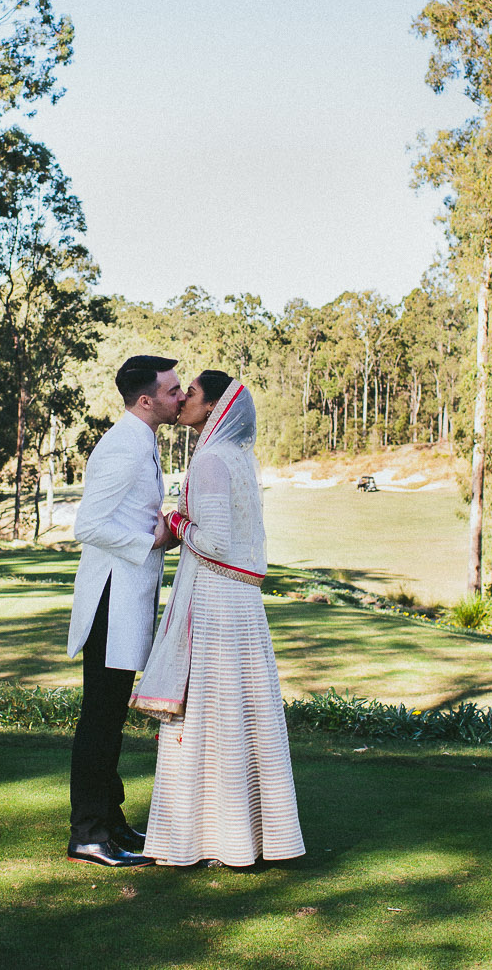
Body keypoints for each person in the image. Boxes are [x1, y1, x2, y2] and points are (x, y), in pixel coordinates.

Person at [134, 370, 304, 868]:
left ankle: (201, 839)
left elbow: (214, 542)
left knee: (210, 712)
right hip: (242, 601)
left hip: (214, 602)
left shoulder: (209, 459)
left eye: (191, 395)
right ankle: (250, 838)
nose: (183, 400)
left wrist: (175, 520)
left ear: (213, 408)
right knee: (241, 711)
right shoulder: (239, 459)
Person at [64, 354, 184, 867]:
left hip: (127, 596)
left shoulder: (142, 441)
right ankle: (88, 834)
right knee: (100, 719)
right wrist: (151, 538)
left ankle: (110, 822)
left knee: (109, 718)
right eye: (173, 390)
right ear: (146, 400)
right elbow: (87, 526)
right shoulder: (123, 447)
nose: (180, 396)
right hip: (111, 599)